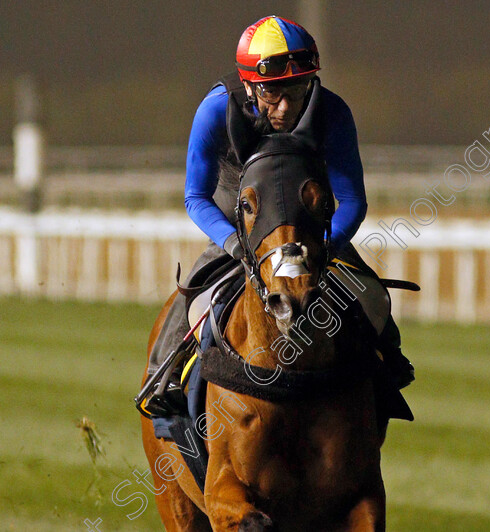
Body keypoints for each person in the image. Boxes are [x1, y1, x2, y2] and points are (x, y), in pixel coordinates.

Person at [148, 15, 413, 409]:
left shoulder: (333, 112)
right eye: (273, 94)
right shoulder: (215, 109)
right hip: (240, 219)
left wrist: (326, 247)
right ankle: (164, 377)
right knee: (193, 297)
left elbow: (353, 200)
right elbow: (195, 197)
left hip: (309, 228)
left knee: (370, 294)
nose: (286, 106)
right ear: (251, 85)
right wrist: (235, 244)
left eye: (298, 89)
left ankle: (389, 363)